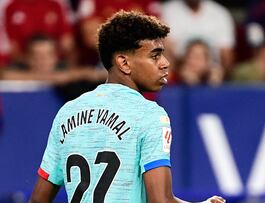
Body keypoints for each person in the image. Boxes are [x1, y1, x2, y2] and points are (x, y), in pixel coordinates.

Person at [29, 10, 225, 203]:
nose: (165, 63)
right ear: (124, 63)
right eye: (155, 56)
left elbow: (38, 200)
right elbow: (160, 201)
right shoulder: (150, 115)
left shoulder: (67, 112)